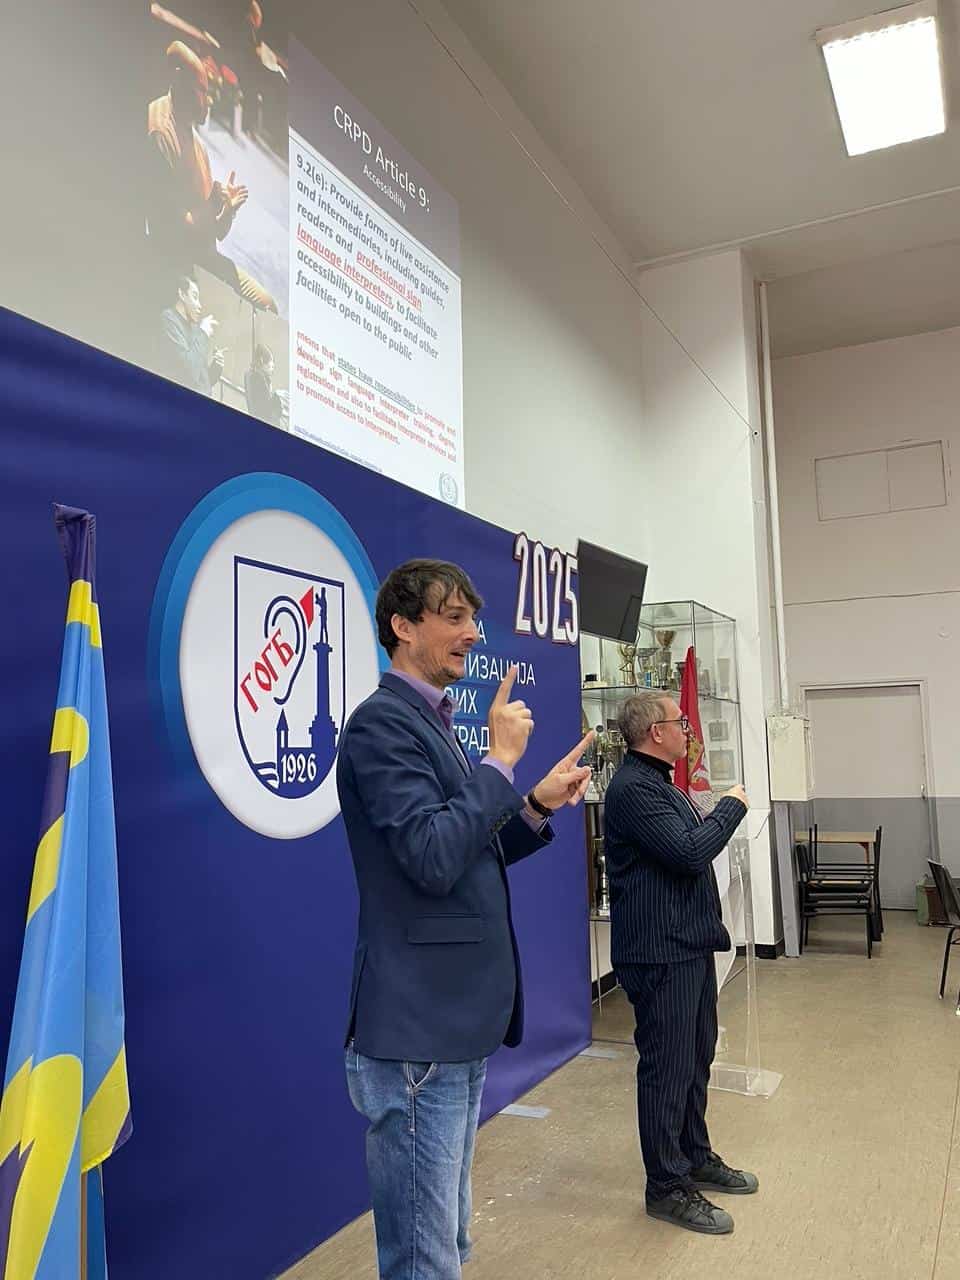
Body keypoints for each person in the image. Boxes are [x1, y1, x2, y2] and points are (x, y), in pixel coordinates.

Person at [336, 559, 592, 1280]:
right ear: (403, 625)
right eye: (453, 617)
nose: (471, 634)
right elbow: (430, 855)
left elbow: (468, 852)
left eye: (472, 619)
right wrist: (500, 761)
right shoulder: (381, 725)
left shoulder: (431, 722)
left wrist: (533, 802)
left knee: (447, 1240)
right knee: (426, 1257)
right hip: (419, 1030)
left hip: (452, 1027)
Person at [603, 690, 757, 1236]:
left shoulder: (659, 785)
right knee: (667, 1070)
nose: (688, 730)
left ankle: (694, 1156)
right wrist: (732, 806)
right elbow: (691, 852)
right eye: (680, 721)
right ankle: (665, 1187)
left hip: (685, 946)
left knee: (694, 1060)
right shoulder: (633, 791)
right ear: (655, 732)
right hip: (659, 952)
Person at [147, 41, 277, 312]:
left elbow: (214, 232)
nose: (209, 100)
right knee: (262, 309)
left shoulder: (193, 137)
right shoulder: (162, 132)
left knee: (267, 305)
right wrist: (213, 206)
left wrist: (226, 210)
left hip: (203, 256)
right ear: (180, 83)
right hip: (180, 264)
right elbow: (171, 231)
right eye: (203, 91)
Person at [160, 275, 224, 396]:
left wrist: (217, 367)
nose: (199, 305)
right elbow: (188, 373)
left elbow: (203, 381)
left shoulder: (195, 329)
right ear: (182, 294)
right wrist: (204, 333)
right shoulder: (169, 319)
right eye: (195, 297)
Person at [245, 343, 287, 427]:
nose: (273, 366)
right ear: (262, 361)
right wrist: (278, 397)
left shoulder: (252, 375)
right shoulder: (257, 377)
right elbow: (265, 410)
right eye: (271, 361)